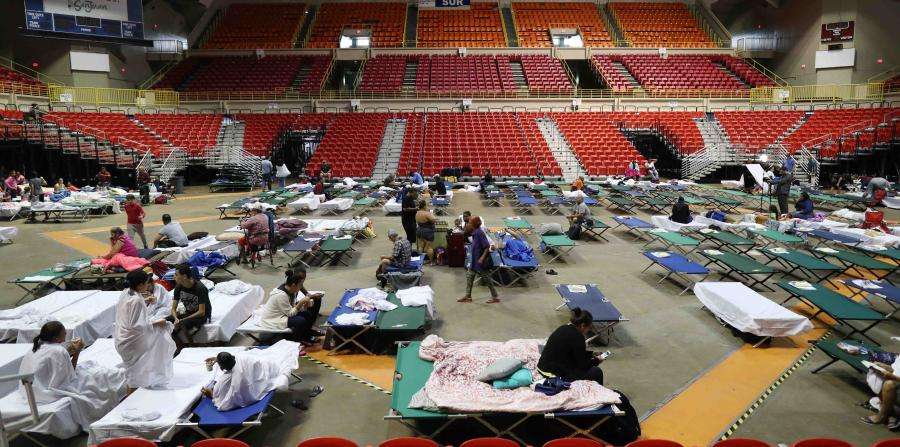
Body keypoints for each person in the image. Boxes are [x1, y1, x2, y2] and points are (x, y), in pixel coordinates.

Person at [19, 321, 127, 434]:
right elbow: (68, 377)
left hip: (30, 390)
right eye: (64, 334)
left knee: (89, 366)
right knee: (99, 376)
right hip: (46, 393)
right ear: (56, 338)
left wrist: (67, 352)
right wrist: (77, 352)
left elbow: (52, 367)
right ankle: (125, 381)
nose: (66, 335)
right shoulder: (58, 351)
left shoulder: (36, 346)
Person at [114, 269, 176, 391]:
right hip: (132, 342)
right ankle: (131, 401)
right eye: (147, 283)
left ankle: (139, 391)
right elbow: (137, 326)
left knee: (134, 372)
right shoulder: (136, 300)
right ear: (140, 284)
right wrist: (158, 322)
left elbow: (129, 309)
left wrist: (146, 300)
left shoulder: (126, 292)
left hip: (121, 337)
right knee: (135, 376)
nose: (148, 286)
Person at [200, 341, 299, 411]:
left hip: (265, 375)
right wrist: (217, 358)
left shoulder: (235, 381)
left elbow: (226, 403)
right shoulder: (241, 356)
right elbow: (232, 357)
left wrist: (211, 395)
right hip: (269, 365)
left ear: (222, 368)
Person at [537, 308, 605, 385]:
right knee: (596, 372)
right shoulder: (578, 337)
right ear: (582, 325)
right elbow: (583, 365)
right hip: (552, 374)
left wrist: (591, 354)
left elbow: (574, 351)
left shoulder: (563, 327)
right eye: (589, 327)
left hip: (542, 366)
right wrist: (597, 361)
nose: (589, 330)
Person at [258, 269, 324, 344]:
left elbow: (292, 307)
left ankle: (307, 334)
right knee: (300, 321)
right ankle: (297, 341)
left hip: (283, 313)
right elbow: (290, 313)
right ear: (293, 285)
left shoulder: (292, 291)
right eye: (300, 285)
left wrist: (304, 306)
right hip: (274, 319)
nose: (301, 287)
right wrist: (301, 302)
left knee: (307, 314)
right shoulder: (281, 295)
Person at [167, 264, 211, 352]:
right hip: (189, 313)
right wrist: (176, 319)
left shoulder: (200, 288)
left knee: (183, 324)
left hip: (202, 316)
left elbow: (201, 312)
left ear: (184, 276)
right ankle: (180, 347)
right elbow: (173, 309)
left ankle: (192, 348)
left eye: (176, 275)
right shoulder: (178, 287)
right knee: (167, 320)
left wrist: (182, 320)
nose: (173, 276)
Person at [458, 216, 499, 304]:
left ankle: (495, 297)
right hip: (474, 261)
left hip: (481, 262)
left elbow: (487, 246)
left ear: (473, 224)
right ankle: (468, 296)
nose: (468, 224)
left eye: (469, 223)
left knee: (487, 279)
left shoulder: (479, 233)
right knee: (470, 277)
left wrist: (482, 258)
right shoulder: (474, 232)